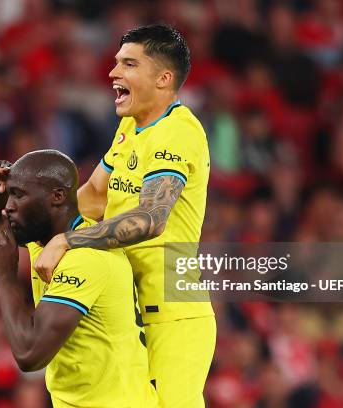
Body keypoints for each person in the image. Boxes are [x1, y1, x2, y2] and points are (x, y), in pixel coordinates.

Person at [34, 24, 216, 407]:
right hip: (130, 316)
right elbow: (95, 195)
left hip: (172, 317)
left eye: (129, 64)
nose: (114, 73)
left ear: (164, 78)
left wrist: (66, 239)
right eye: (116, 62)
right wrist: (34, 217)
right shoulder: (131, 126)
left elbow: (151, 218)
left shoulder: (179, 133)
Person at [0, 151, 157, 408]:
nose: (8, 205)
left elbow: (29, 355)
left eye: (18, 195)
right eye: (9, 194)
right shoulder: (44, 239)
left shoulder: (85, 259)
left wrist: (7, 277)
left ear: (57, 197)